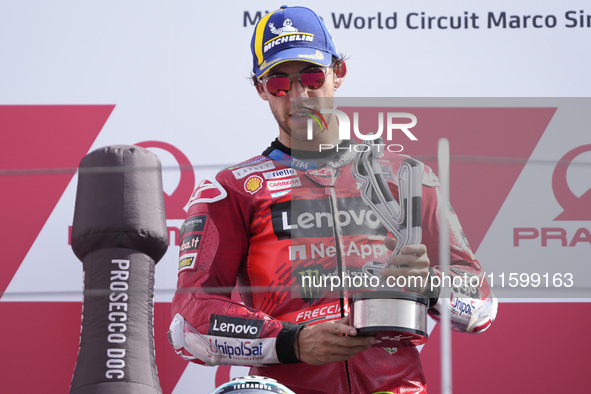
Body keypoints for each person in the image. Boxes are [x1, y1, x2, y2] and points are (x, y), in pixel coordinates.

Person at [169, 5, 497, 393]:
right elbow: (188, 324)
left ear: (338, 73)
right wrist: (291, 341)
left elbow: (480, 308)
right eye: (278, 82)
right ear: (260, 89)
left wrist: (427, 285)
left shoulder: (407, 176)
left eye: (311, 75)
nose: (298, 94)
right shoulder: (233, 190)